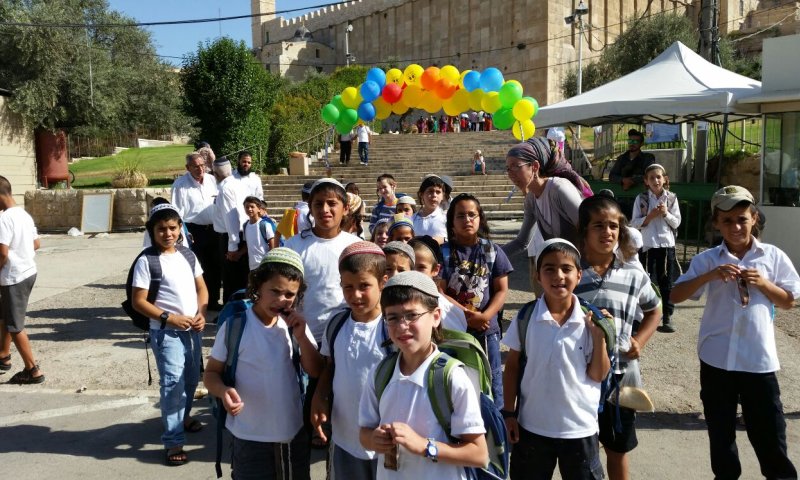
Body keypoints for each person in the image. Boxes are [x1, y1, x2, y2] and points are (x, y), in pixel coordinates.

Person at [671, 185, 799, 480]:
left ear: (754, 218)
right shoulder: (708, 259)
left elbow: (789, 301)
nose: (736, 226)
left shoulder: (773, 256)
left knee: (769, 431)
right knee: (721, 433)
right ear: (716, 223)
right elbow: (676, 295)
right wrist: (710, 276)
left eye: (742, 219)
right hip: (717, 359)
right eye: (727, 220)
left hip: (758, 361)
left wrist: (764, 284)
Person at [204, 247, 323, 479]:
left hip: (292, 434)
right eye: (275, 291)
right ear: (258, 286)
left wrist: (301, 337)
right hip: (248, 437)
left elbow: (316, 370)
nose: (281, 300)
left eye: (289, 294)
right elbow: (211, 374)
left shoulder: (295, 326)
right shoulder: (235, 326)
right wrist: (224, 391)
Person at [358, 271, 488, 479]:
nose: (402, 326)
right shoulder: (381, 373)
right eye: (392, 318)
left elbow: (479, 454)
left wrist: (425, 446)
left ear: (436, 316)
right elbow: (364, 432)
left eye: (412, 315)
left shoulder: (452, 377)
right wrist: (374, 440)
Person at [502, 238, 610, 480]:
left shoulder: (591, 320)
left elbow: (598, 374)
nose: (558, 276)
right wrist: (509, 413)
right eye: (549, 269)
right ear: (538, 276)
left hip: (579, 428)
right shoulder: (526, 317)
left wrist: (600, 337)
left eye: (566, 268)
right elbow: (512, 367)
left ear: (579, 275)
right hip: (532, 426)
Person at [573, 194, 661, 480]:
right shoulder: (570, 275)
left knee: (617, 449)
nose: (607, 232)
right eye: (598, 225)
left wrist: (640, 341)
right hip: (578, 376)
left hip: (620, 378)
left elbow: (654, 309)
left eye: (613, 226)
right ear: (583, 230)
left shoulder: (633, 274)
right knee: (580, 452)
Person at [285, 178, 361, 447]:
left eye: (332, 203)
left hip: (342, 330)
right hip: (304, 331)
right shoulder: (294, 245)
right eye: (318, 204)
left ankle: (332, 431)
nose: (325, 210)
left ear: (345, 208)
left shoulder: (354, 245)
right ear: (310, 207)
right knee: (306, 386)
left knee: (337, 385)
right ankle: (307, 429)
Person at [131, 203, 208, 466]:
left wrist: (202, 313)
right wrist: (169, 318)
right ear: (152, 231)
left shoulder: (188, 255)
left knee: (191, 381)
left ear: (180, 228)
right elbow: (138, 301)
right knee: (173, 384)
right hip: (166, 334)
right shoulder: (147, 261)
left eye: (173, 228)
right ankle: (173, 441)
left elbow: (202, 288)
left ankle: (183, 418)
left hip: (193, 331)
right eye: (161, 229)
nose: (168, 234)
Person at [311, 242, 390, 480]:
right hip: (344, 441)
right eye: (348, 287)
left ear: (383, 282)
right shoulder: (336, 324)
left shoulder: (393, 328)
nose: (355, 295)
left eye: (364, 286)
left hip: (387, 447)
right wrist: (319, 397)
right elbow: (330, 366)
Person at [442, 193, 512, 408]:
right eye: (460, 215)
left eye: (472, 214)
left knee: (491, 379)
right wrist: (465, 314)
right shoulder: (443, 253)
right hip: (454, 329)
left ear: (480, 218)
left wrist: (485, 316)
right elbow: (439, 290)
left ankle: (495, 421)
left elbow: (502, 290)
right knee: (455, 379)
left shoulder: (493, 251)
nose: (467, 220)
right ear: (451, 222)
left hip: (486, 330)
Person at [502, 138, 590, 297]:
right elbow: (522, 243)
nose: (510, 173)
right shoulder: (531, 199)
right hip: (566, 278)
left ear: (535, 166)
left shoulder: (559, 188)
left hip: (586, 274)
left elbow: (590, 231)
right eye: (508, 168)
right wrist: (489, 253)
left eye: (516, 166)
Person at [0, 176, 43, 384]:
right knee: (5, 315)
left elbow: (2, 253)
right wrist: (21, 250)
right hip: (28, 271)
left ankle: (32, 370)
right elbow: (36, 243)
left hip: (14, 277)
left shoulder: (4, 219)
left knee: (15, 326)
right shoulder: (24, 215)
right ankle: (3, 355)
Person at [630, 164, 681, 333]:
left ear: (665, 179)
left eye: (658, 177)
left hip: (666, 245)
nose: (656, 180)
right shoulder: (641, 199)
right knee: (645, 280)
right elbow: (634, 223)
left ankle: (667, 316)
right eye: (651, 178)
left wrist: (665, 213)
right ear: (646, 181)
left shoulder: (671, 198)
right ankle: (641, 317)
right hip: (647, 245)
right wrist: (650, 216)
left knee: (666, 282)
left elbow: (676, 222)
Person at [171, 151, 221, 309]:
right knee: (198, 267)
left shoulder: (212, 180)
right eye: (195, 166)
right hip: (194, 231)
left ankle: (213, 301)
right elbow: (177, 212)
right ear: (188, 168)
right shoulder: (180, 185)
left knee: (216, 266)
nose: (200, 169)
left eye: (202, 165)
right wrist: (183, 233)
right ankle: (198, 302)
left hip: (214, 229)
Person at [409, 236, 467, 332]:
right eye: (410, 267)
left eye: (421, 267)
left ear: (435, 270)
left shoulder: (446, 310)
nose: (414, 272)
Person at [213, 157, 249, 304]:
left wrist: (232, 246)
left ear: (216, 174)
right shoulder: (238, 183)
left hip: (231, 236)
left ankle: (232, 310)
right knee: (239, 278)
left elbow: (231, 217)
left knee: (231, 279)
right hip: (241, 234)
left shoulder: (225, 188)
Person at [609, 129, 656, 218]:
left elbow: (649, 175)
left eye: (635, 141)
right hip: (622, 199)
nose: (632, 143)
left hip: (641, 199)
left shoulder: (648, 158)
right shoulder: (622, 158)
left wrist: (631, 181)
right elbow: (612, 176)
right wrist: (623, 180)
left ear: (641, 144)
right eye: (630, 141)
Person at [413, 174, 451, 244]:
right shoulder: (412, 219)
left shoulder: (447, 218)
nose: (434, 195)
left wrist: (443, 239)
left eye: (438, 192)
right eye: (430, 191)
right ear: (421, 194)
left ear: (443, 196)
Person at [243, 196, 277, 271]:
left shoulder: (265, 224)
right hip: (252, 266)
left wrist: (271, 262)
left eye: (252, 207)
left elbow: (273, 245)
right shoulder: (245, 226)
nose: (249, 209)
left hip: (264, 264)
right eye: (247, 207)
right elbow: (247, 245)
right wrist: (238, 254)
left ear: (259, 208)